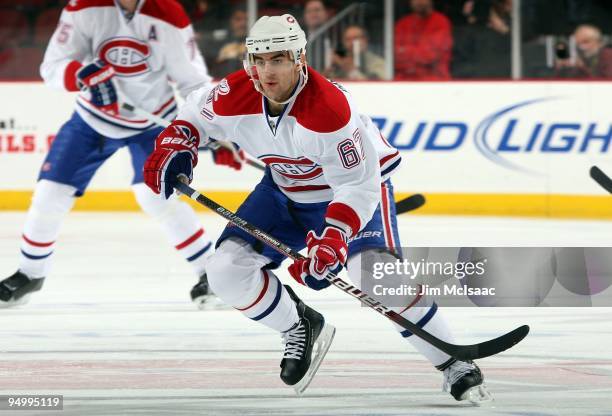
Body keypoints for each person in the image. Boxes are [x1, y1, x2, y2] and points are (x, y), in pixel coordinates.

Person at [143, 13, 491, 402]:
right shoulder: (236, 92)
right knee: (224, 271)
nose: (265, 71)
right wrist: (177, 144)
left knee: (378, 276)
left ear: (299, 58)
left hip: (352, 193)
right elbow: (194, 115)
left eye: (277, 59)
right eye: (258, 60)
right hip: (282, 192)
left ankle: (454, 362)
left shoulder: (328, 109)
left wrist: (334, 240)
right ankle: (299, 326)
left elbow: (357, 185)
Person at [0, 0, 241, 309]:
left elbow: (192, 82)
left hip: (151, 120)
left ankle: (211, 273)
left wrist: (214, 131)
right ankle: (30, 274)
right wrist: (81, 73)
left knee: (156, 197)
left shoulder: (168, 14)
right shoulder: (83, 7)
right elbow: (52, 67)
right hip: (91, 119)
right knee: (49, 194)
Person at [394, 0, 453, 80]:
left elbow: (429, 56)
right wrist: (417, 53)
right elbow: (395, 57)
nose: (419, 1)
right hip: (404, 81)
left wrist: (405, 51)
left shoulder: (441, 22)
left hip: (434, 81)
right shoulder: (402, 24)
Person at [302, 0, 330, 72]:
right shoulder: (298, 37)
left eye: (317, 10)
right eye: (309, 11)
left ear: (325, 14)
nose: (313, 14)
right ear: (305, 16)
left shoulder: (336, 36)